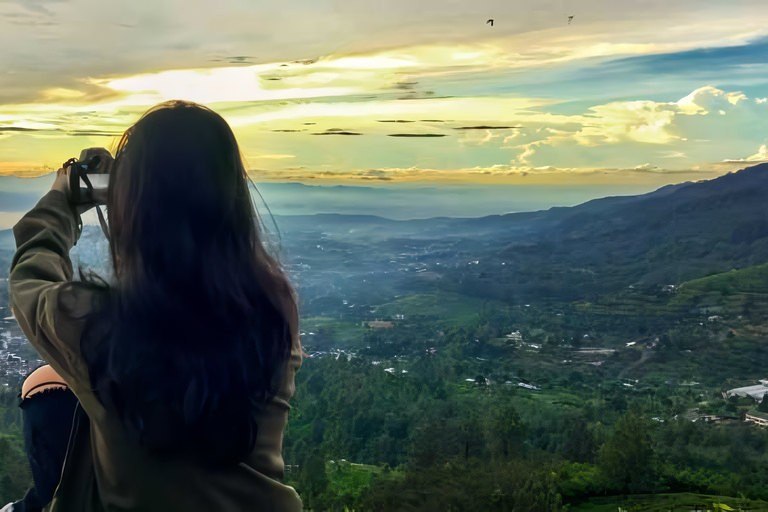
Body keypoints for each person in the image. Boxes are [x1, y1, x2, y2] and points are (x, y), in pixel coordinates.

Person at [8, 100, 303, 511]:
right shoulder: (272, 310)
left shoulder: (101, 326)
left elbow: (30, 280)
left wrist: (63, 200)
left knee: (47, 389)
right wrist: (139, 190)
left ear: (137, 208)